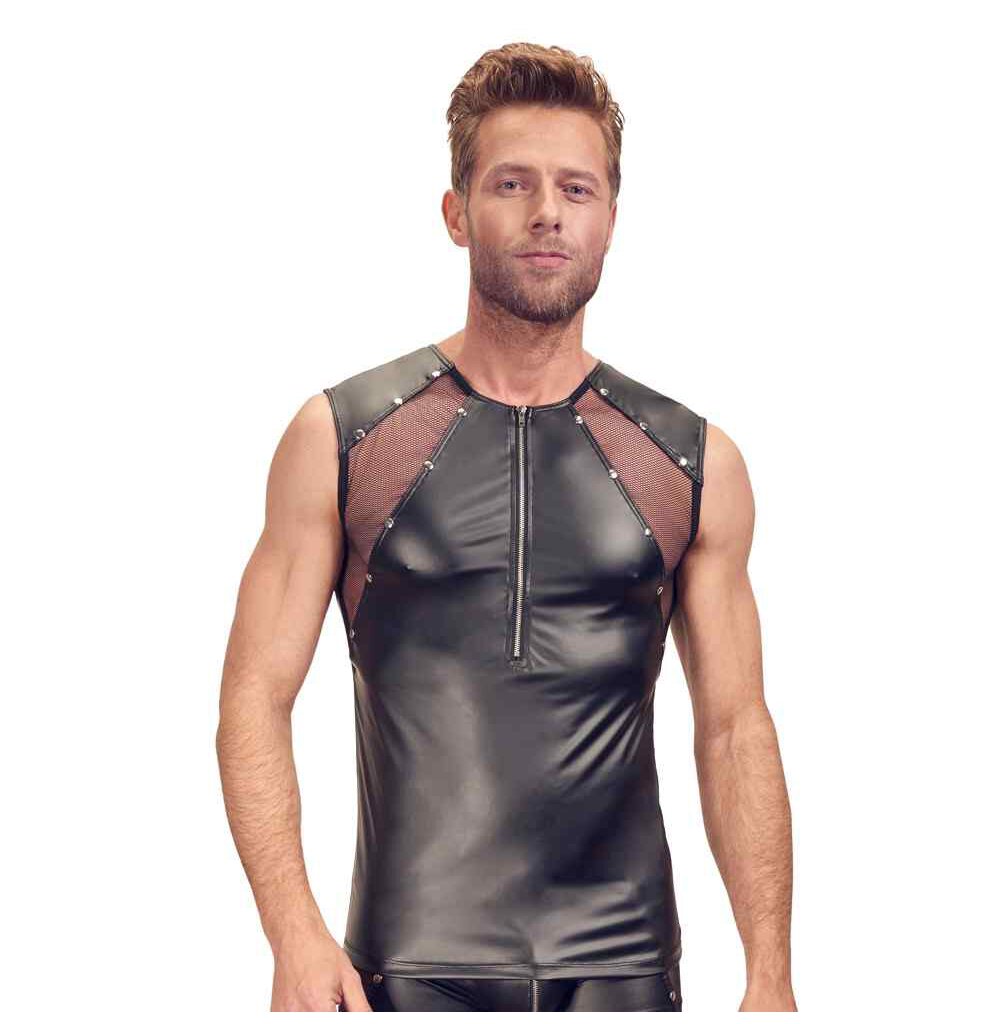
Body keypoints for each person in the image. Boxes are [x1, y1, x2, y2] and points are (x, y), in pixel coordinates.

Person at [216, 42, 796, 1013]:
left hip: (623, 971)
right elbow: (253, 696)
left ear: (610, 219)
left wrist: (769, 976)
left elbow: (735, 728)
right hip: (406, 967)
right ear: (456, 212)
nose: (546, 213)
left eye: (576, 188)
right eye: (512, 183)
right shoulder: (345, 438)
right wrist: (293, 932)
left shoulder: (690, 460)